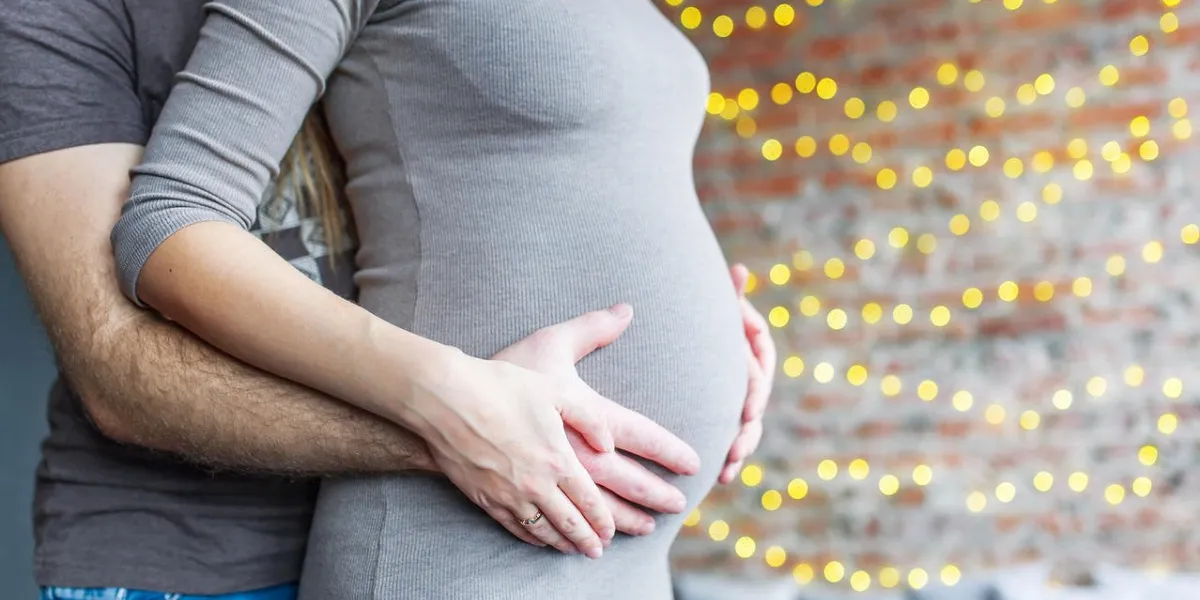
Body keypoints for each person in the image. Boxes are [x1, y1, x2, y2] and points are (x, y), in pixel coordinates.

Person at [0, 1, 774, 599]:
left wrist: (703, 309)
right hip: (200, 551)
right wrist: (447, 415)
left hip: (576, 522)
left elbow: (547, 164)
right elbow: (122, 368)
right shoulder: (57, 17)